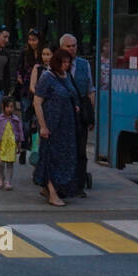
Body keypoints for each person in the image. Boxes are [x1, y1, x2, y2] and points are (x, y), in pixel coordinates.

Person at [33, 49, 80, 205]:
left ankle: (50, 187)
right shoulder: (47, 77)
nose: (66, 65)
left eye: (68, 62)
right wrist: (43, 126)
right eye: (63, 62)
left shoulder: (67, 77)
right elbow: (37, 102)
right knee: (51, 157)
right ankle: (52, 191)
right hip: (52, 124)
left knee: (64, 157)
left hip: (67, 125)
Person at [59, 33, 95, 194]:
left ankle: (79, 184)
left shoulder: (84, 64)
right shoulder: (56, 66)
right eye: (68, 46)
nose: (72, 49)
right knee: (65, 149)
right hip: (62, 113)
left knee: (81, 150)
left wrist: (90, 115)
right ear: (62, 48)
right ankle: (65, 181)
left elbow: (90, 90)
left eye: (74, 46)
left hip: (80, 114)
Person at [15, 29, 42, 162]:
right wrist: (20, 78)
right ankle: (24, 148)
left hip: (41, 92)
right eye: (30, 40)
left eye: (34, 40)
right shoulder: (24, 53)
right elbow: (18, 70)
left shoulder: (44, 53)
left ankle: (35, 150)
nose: (32, 42)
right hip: (26, 91)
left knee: (38, 121)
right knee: (26, 122)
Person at [0, 96, 24, 190]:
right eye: (8, 107)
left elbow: (19, 131)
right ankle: (0, 178)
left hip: (11, 144)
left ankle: (8, 181)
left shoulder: (16, 120)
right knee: (1, 162)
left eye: (12, 107)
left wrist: (19, 144)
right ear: (3, 107)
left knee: (10, 163)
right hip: (1, 144)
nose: (10, 109)